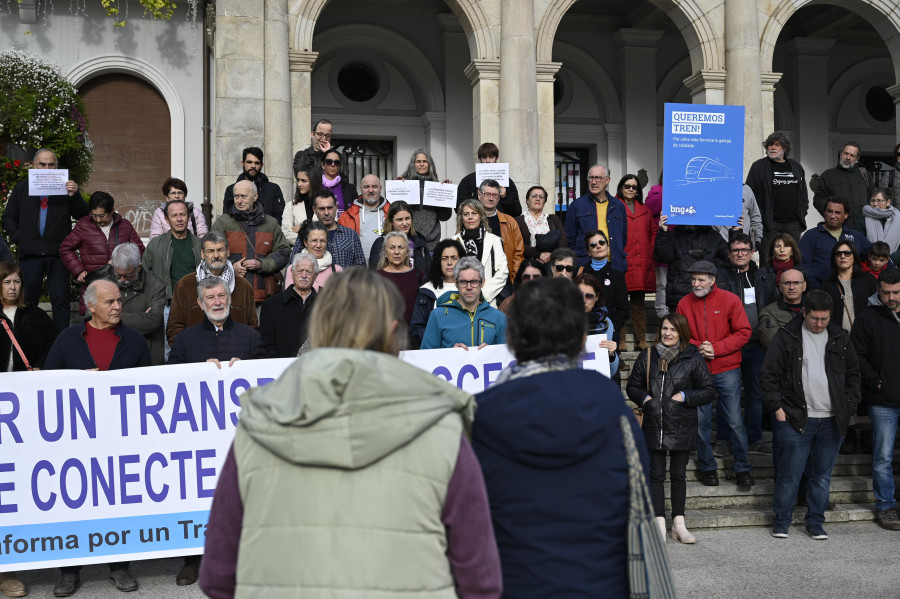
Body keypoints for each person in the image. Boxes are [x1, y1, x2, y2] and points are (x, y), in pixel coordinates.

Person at [198, 267, 502, 599]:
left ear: (319, 328)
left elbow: (217, 576)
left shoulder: (257, 426)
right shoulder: (443, 429)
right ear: (393, 331)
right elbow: (480, 580)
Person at [472, 276, 648, 597]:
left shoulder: (477, 418)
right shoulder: (618, 417)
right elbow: (639, 516)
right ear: (582, 338)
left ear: (510, 338)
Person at [45, 279, 148, 597]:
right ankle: (69, 571)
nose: (118, 306)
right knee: (75, 503)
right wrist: (75, 381)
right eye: (110, 302)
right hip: (77, 441)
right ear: (91, 306)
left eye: (119, 301)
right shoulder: (67, 339)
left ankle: (119, 567)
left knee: (117, 502)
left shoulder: (134, 341)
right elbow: (48, 384)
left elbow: (150, 386)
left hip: (120, 437)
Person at [762, 290, 860, 540]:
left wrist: (848, 405)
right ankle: (781, 522)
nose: (819, 324)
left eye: (824, 319)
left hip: (831, 419)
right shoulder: (786, 336)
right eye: (814, 318)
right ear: (804, 312)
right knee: (789, 474)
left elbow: (853, 375)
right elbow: (769, 375)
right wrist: (777, 407)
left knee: (821, 476)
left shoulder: (841, 337)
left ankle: (815, 522)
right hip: (795, 417)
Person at [627, 312, 715, 544]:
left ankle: (679, 524)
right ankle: (658, 523)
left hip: (682, 424)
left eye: (673, 330)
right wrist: (646, 399)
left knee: (678, 476)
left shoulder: (693, 358)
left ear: (682, 332)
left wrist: (685, 395)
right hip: (653, 424)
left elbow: (708, 390)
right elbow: (633, 386)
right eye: (665, 328)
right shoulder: (648, 355)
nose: (667, 333)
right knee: (655, 475)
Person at [676, 261, 753, 488]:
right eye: (693, 279)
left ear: (712, 280)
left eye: (700, 279)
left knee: (735, 421)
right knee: (701, 422)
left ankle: (742, 468)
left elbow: (744, 332)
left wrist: (716, 348)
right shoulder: (683, 303)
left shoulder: (730, 300)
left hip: (727, 368)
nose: (695, 283)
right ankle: (707, 467)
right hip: (697, 371)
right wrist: (699, 346)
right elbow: (679, 334)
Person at [1, 148, 87, 331]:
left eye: (51, 164)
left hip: (58, 255)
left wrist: (75, 195)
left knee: (61, 302)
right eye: (42, 164)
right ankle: (27, 345)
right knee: (27, 302)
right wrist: (21, 239)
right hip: (30, 254)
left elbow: (83, 216)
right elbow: (8, 219)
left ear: (57, 167)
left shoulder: (66, 189)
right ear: (33, 165)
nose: (46, 168)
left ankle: (59, 345)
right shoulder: (21, 188)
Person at [715, 233, 777, 455]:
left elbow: (771, 307)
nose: (740, 254)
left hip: (755, 345)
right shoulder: (719, 275)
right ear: (729, 253)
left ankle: (755, 439)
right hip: (728, 344)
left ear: (752, 252)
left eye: (744, 250)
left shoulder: (763, 276)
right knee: (726, 392)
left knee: (755, 394)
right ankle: (723, 439)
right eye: (735, 250)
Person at [850, 267, 900, 531]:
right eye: (886, 293)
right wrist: (876, 381)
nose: (891, 297)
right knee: (883, 457)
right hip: (882, 399)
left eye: (896, 292)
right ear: (878, 291)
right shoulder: (868, 317)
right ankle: (886, 506)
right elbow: (857, 355)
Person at [59, 191, 144, 315]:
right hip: (93, 287)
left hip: (121, 288)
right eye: (94, 215)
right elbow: (65, 248)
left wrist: (120, 262)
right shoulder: (83, 225)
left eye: (102, 215)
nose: (98, 219)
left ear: (112, 211)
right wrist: (78, 270)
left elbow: (139, 250)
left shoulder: (125, 225)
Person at [167, 231, 258, 346]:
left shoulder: (244, 287)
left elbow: (252, 329)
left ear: (228, 252)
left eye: (220, 250)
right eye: (210, 251)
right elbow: (174, 329)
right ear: (202, 254)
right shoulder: (184, 285)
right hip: (197, 359)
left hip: (235, 359)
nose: (216, 255)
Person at [142, 198, 204, 360]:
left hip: (195, 305)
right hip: (166, 307)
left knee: (196, 348)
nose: (179, 219)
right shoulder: (155, 245)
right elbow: (144, 275)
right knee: (169, 350)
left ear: (188, 217)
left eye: (182, 214)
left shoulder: (200, 245)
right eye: (174, 215)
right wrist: (148, 303)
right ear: (167, 219)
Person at [212, 179, 291, 303]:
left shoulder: (270, 223)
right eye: (236, 196)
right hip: (230, 296)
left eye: (243, 196)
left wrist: (262, 264)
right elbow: (210, 254)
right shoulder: (223, 223)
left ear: (255, 197)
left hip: (264, 296)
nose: (239, 201)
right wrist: (231, 266)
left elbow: (284, 252)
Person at [168, 277, 264, 366]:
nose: (217, 302)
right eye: (210, 297)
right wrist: (200, 370)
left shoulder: (251, 336)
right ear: (201, 303)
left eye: (221, 296)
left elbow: (264, 372)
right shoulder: (183, 339)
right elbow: (173, 377)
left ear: (229, 299)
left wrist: (245, 368)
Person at [745, 132, 809, 262]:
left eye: (777, 145)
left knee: (794, 259)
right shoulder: (759, 166)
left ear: (784, 148)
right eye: (770, 145)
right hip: (769, 224)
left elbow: (803, 194)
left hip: (793, 224)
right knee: (767, 260)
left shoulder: (796, 166)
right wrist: (760, 218)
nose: (772, 147)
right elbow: (749, 194)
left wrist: (802, 212)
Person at [420, 257, 507, 349]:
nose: (469, 287)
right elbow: (426, 357)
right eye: (463, 282)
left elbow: (507, 358)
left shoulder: (499, 318)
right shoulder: (437, 316)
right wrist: (448, 354)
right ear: (455, 283)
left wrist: (493, 353)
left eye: (474, 282)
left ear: (482, 283)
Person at [654, 216, 729, 312]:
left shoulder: (714, 236)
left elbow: (731, 258)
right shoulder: (673, 236)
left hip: (708, 295)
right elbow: (662, 257)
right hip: (678, 297)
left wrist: (736, 231)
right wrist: (663, 232)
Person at [108, 243, 167, 365]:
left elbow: (152, 321)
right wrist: (141, 317)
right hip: (113, 354)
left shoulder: (156, 286)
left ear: (139, 267)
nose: (122, 280)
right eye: (118, 275)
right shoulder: (104, 285)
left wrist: (111, 318)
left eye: (128, 275)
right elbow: (91, 317)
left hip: (146, 356)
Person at [617, 174, 657, 351]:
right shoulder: (614, 206)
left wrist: (650, 247)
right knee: (620, 303)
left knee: (639, 304)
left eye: (634, 187)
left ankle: (641, 340)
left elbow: (653, 231)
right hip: (622, 261)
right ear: (621, 187)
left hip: (641, 262)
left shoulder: (645, 209)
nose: (631, 189)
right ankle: (622, 341)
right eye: (627, 186)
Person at [798, 196, 872, 290]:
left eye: (837, 212)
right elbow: (803, 267)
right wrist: (817, 290)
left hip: (853, 290)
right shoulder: (810, 236)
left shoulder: (857, 236)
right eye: (829, 211)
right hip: (820, 292)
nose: (833, 216)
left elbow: (878, 254)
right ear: (824, 212)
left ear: (846, 215)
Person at [564, 163, 627, 271]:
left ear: (607, 180)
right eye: (591, 178)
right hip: (587, 266)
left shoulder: (619, 206)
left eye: (598, 178)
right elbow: (569, 240)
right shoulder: (576, 205)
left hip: (615, 265)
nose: (593, 182)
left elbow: (623, 237)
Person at [577, 230, 630, 349]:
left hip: (609, 336)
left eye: (601, 242)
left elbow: (624, 309)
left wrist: (612, 328)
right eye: (593, 245)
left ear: (608, 246)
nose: (598, 246)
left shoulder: (617, 276)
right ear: (588, 251)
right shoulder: (581, 275)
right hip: (583, 333)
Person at [0, 261, 57, 372]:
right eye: (7, 282)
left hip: (28, 384)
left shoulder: (36, 315)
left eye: (17, 282)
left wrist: (39, 365)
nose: (12, 287)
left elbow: (55, 343)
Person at [259, 253, 317, 358]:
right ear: (292, 273)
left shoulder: (324, 306)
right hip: (280, 369)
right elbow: (266, 344)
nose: (304, 275)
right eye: (300, 271)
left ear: (315, 276)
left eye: (308, 271)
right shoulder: (272, 305)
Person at [289, 190, 365, 269]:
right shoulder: (306, 233)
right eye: (322, 209)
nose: (326, 213)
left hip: (345, 281)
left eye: (330, 208)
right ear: (314, 210)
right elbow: (293, 265)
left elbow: (361, 266)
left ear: (336, 207)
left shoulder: (351, 235)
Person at [452, 199, 508, 306]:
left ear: (481, 216)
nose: (470, 217)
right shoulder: (453, 241)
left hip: (487, 300)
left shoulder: (494, 240)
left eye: (474, 213)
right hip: (460, 300)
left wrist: (483, 294)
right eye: (466, 214)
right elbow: (450, 274)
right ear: (461, 218)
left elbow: (503, 271)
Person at [409, 238, 464, 348]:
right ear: (438, 262)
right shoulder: (427, 291)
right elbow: (417, 329)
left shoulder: (471, 288)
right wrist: (443, 344)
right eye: (444, 258)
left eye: (454, 258)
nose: (449, 263)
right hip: (436, 355)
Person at [397, 148, 453, 252]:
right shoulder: (404, 184)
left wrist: (445, 193)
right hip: (407, 244)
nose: (422, 164)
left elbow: (444, 216)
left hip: (432, 246)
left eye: (425, 161)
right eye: (418, 161)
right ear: (413, 164)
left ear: (430, 164)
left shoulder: (437, 187)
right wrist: (397, 187)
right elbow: (393, 212)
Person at [813, 142, 873, 231]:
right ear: (841, 154)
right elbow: (818, 199)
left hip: (863, 227)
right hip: (838, 228)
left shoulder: (865, 175)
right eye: (846, 153)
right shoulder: (828, 175)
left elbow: (872, 198)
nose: (848, 157)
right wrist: (832, 216)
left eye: (852, 155)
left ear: (857, 159)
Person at [821, 240, 876, 331]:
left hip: (865, 336)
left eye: (847, 253)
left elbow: (876, 308)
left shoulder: (868, 279)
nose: (842, 256)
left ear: (854, 256)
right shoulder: (827, 283)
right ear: (834, 258)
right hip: (837, 338)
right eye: (838, 254)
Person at [455, 142, 521, 216]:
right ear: (480, 159)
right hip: (475, 224)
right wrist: (477, 196)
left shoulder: (507, 182)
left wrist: (505, 197)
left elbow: (517, 212)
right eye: (484, 157)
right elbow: (458, 209)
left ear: (497, 158)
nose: (488, 161)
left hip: (499, 224)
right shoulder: (468, 181)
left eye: (491, 157)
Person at [223, 147, 286, 223]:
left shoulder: (273, 189)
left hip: (266, 233)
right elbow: (227, 219)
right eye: (249, 162)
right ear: (242, 163)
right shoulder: (231, 190)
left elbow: (279, 219)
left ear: (262, 165)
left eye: (257, 163)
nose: (253, 166)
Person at [477, 179, 524, 280]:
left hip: (504, 279)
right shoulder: (470, 220)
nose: (491, 198)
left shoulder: (510, 222)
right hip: (476, 279)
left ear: (499, 198)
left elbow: (518, 253)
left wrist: (513, 279)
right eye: (487, 194)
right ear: (479, 195)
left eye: (495, 195)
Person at [574, 272, 619, 375]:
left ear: (597, 297)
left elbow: (610, 372)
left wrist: (611, 355)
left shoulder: (605, 323)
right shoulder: (561, 320)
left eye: (589, 296)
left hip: (593, 383)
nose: (583, 301)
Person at [367, 200, 429, 274]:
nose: (405, 223)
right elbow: (374, 274)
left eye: (407, 218)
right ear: (391, 222)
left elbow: (428, 271)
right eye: (400, 219)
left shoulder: (419, 240)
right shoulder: (380, 243)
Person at [376, 231, 424, 326]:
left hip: (413, 335)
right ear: (385, 252)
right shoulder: (376, 278)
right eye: (392, 247)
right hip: (384, 335)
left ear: (407, 252)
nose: (396, 252)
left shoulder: (420, 276)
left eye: (401, 247)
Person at [338, 173, 389, 259]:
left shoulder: (391, 213)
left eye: (375, 186)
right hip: (358, 270)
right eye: (366, 187)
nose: (370, 190)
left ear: (380, 189)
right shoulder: (346, 217)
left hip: (386, 269)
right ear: (361, 189)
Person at [515, 185, 567, 265]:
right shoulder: (518, 221)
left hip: (552, 265)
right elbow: (518, 244)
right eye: (534, 196)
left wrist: (551, 255)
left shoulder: (553, 219)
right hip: (528, 265)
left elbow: (563, 241)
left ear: (544, 201)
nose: (538, 199)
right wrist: (539, 255)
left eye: (541, 197)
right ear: (527, 200)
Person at [758, 268, 807, 349]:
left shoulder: (813, 309)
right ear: (780, 287)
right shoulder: (768, 312)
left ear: (804, 286)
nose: (792, 287)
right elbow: (774, 343)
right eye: (787, 283)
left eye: (796, 283)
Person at [292, 220, 342, 290]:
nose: (318, 245)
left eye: (322, 241)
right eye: (314, 240)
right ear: (305, 242)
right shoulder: (293, 269)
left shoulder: (337, 271)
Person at [645, 171, 668, 317]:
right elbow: (649, 208)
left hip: (678, 244)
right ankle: (662, 314)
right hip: (661, 244)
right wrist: (669, 192)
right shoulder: (655, 191)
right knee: (662, 284)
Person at [713, 184, 764, 251]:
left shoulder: (746, 189)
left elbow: (755, 217)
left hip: (742, 245)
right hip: (717, 244)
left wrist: (757, 239)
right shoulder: (711, 188)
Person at [281, 164, 322, 242]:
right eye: (298, 180)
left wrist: (301, 227)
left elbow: (330, 231)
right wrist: (310, 240)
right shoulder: (291, 206)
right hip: (298, 251)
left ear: (313, 182)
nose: (299, 184)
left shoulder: (327, 205)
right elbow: (285, 234)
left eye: (304, 181)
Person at [319, 148, 356, 218]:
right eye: (329, 162)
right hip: (319, 227)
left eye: (336, 162)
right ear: (323, 165)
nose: (333, 165)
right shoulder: (315, 186)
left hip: (343, 227)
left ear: (339, 166)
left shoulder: (349, 188)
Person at [862, 187, 900, 252]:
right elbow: (861, 245)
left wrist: (891, 260)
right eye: (872, 201)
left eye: (879, 201)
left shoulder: (897, 219)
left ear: (888, 202)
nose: (875, 204)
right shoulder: (862, 222)